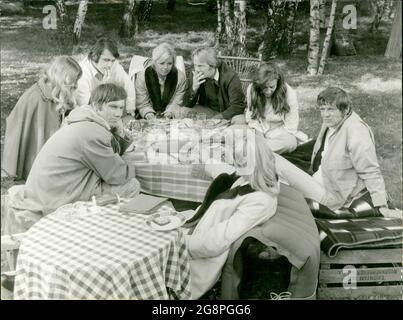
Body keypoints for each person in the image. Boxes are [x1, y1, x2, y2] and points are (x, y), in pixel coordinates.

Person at [5, 83, 140, 233]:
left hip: (52, 187)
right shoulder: (92, 131)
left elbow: (108, 157)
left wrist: (117, 132)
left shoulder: (82, 118)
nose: (118, 114)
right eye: (113, 107)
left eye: (121, 108)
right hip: (57, 196)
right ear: (97, 105)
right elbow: (117, 176)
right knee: (132, 185)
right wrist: (138, 167)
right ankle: (110, 231)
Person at [274, 87, 395, 219]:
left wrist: (382, 205)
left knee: (272, 160)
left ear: (346, 110)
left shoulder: (356, 132)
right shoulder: (333, 121)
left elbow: (370, 170)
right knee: (272, 172)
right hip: (319, 179)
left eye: (331, 109)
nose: (325, 114)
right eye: (322, 109)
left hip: (330, 197)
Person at [184, 133, 279, 299]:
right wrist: (205, 162)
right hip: (197, 234)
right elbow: (228, 172)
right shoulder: (253, 177)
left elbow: (217, 241)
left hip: (199, 260)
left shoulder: (260, 201)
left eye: (240, 160)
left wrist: (180, 244)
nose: (235, 164)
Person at [2, 56, 82, 180]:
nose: (75, 85)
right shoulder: (37, 99)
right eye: (73, 81)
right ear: (61, 78)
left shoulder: (54, 92)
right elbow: (40, 135)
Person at [234, 63, 304, 154]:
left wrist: (266, 138)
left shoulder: (289, 94)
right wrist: (260, 135)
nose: (268, 91)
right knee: (234, 126)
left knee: (290, 143)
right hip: (258, 130)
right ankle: (258, 150)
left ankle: (253, 151)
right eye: (264, 87)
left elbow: (291, 127)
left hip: (280, 133)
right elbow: (252, 118)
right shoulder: (252, 89)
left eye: (272, 87)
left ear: (278, 82)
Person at [75, 37, 136, 116]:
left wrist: (129, 111)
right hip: (89, 114)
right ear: (94, 56)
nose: (109, 65)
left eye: (112, 60)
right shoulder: (82, 72)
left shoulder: (113, 64)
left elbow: (128, 85)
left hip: (109, 109)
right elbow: (86, 104)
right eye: (106, 60)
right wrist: (105, 89)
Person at [186, 46, 246, 120]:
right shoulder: (195, 73)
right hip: (208, 112)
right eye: (195, 65)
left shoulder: (230, 76)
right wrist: (194, 88)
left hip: (228, 114)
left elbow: (237, 106)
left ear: (212, 65)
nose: (197, 69)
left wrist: (217, 118)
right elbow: (187, 104)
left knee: (240, 120)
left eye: (200, 66)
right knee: (184, 111)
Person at [135, 43, 187, 119]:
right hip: (148, 116)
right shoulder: (142, 77)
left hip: (170, 116)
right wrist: (149, 115)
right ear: (154, 62)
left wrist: (169, 113)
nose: (165, 67)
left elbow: (177, 101)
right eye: (162, 63)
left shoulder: (180, 77)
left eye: (169, 63)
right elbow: (142, 103)